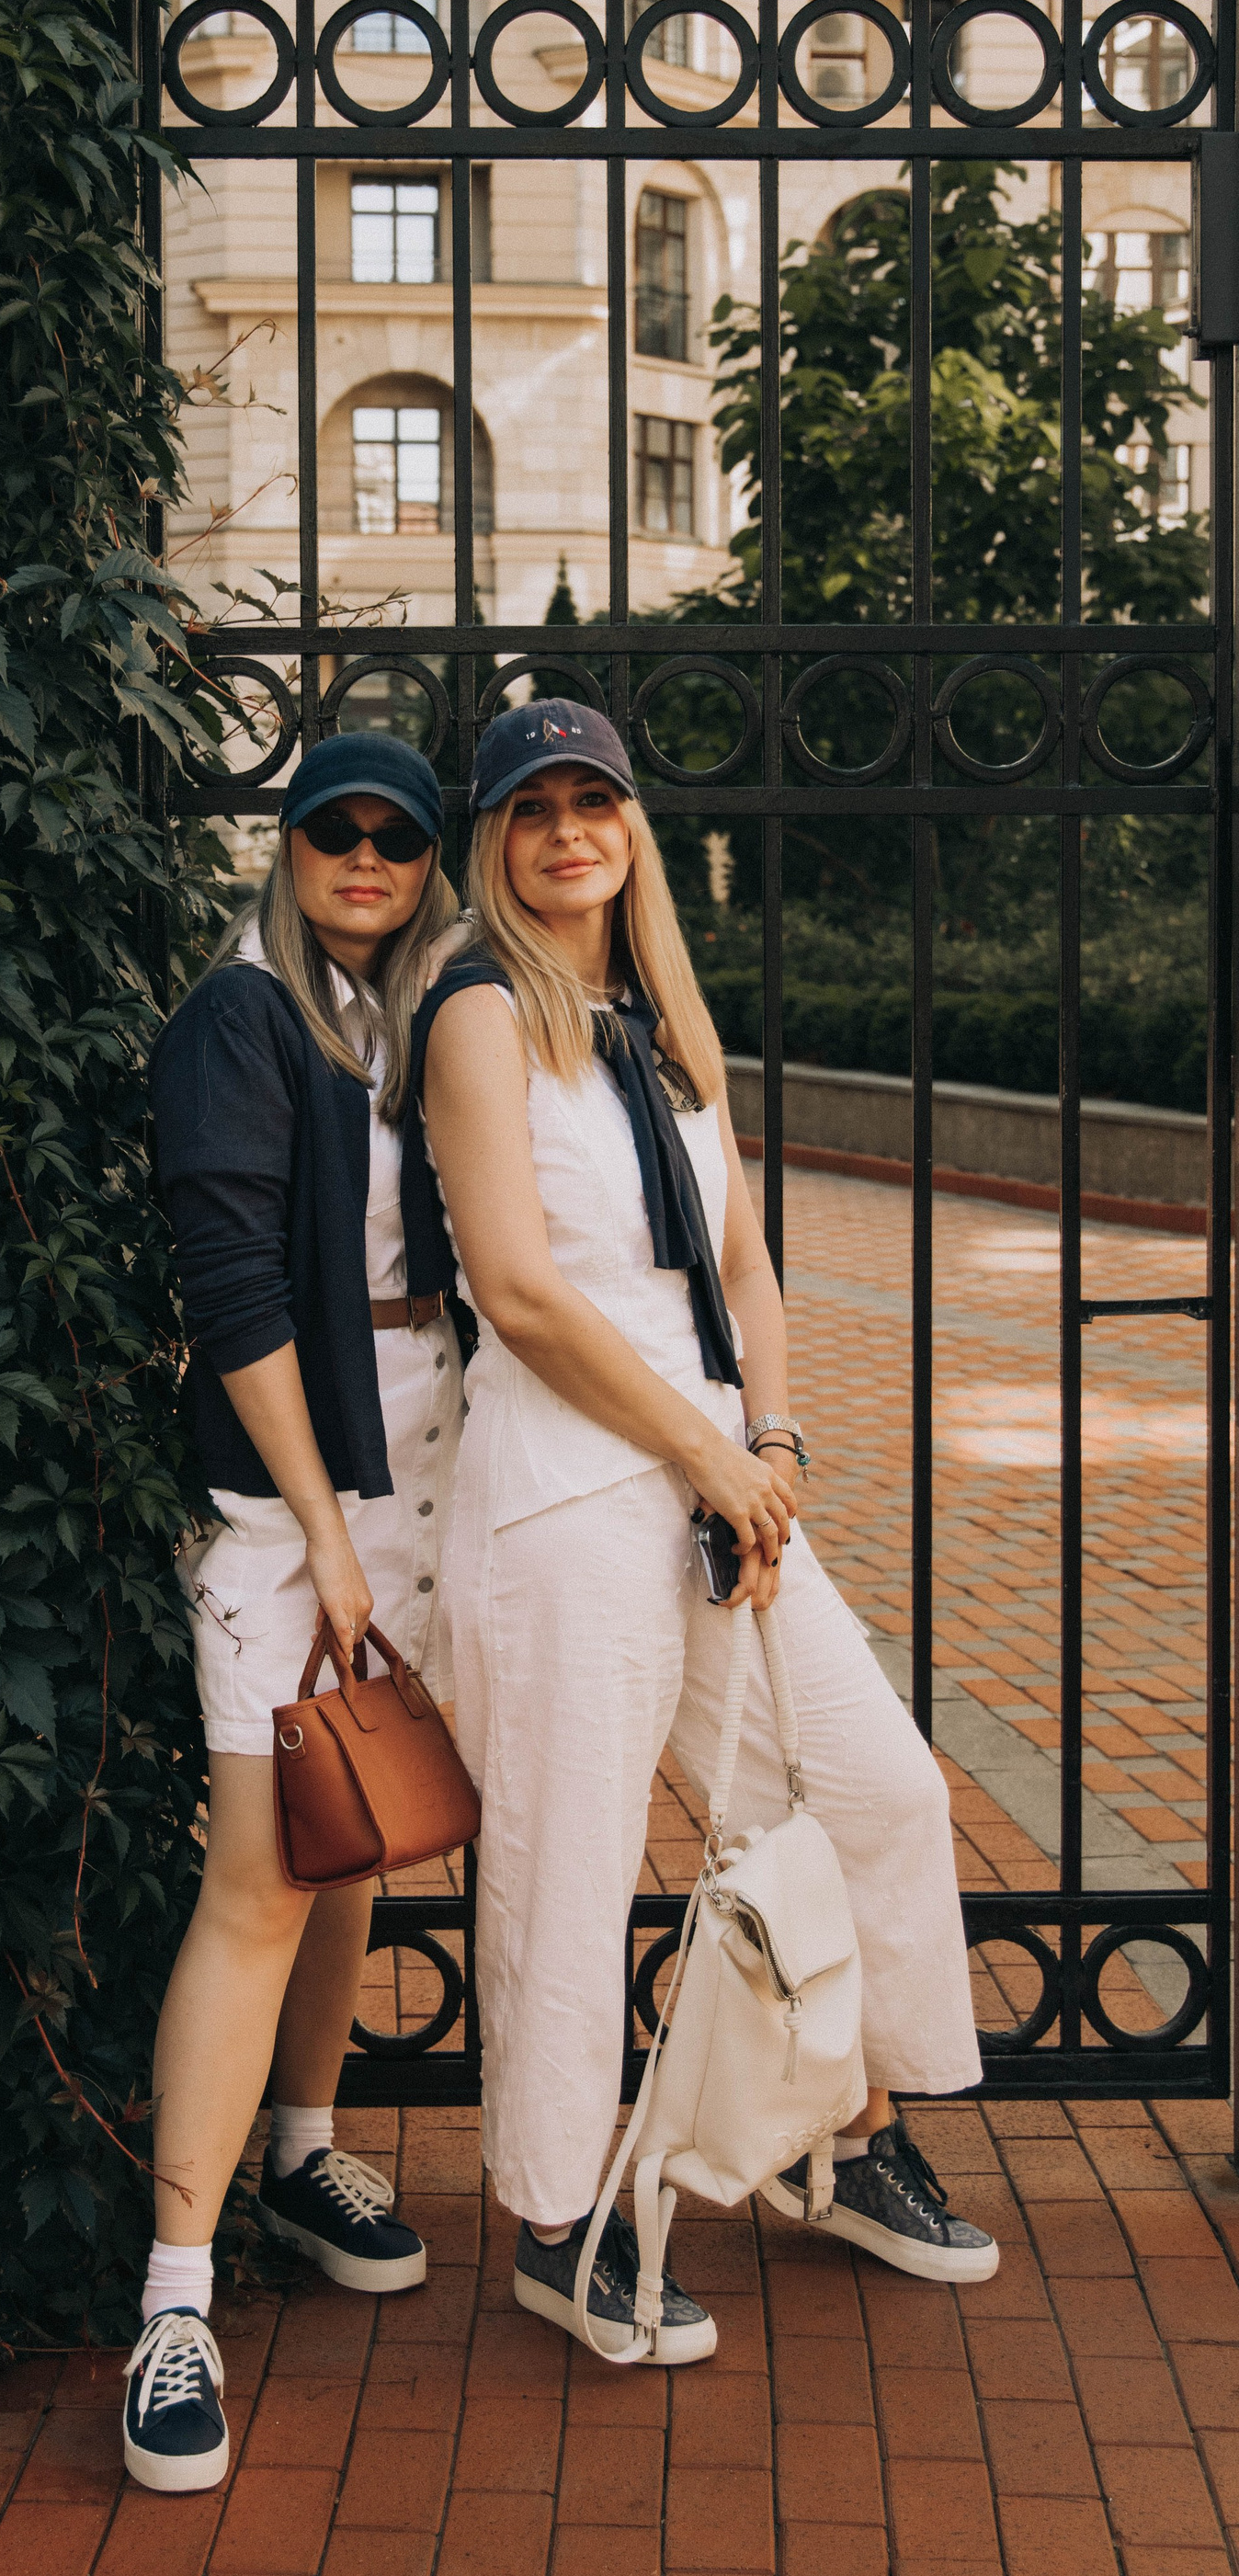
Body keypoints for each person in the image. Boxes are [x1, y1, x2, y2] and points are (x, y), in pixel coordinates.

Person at [408, 698, 995, 2365]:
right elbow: (519, 1291)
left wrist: (771, 1440)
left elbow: (740, 1266)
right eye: (533, 809)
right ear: (496, 841)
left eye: (593, 801)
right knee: (571, 1869)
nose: (567, 832)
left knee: (875, 1791)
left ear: (632, 828)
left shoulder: (663, 1025)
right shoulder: (478, 1012)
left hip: (720, 1480)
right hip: (569, 1500)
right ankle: (556, 2224)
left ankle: (849, 2137)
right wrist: (706, 1455)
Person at [127, 732, 463, 2490]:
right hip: (289, 1503)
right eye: (335, 830)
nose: (365, 857)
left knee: (358, 1835)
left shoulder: (423, 1013)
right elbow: (233, 1286)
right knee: (259, 1879)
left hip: (434, 1475)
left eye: (397, 837)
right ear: (290, 846)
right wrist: (326, 1531)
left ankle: (302, 2151)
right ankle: (174, 2302)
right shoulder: (241, 1016)